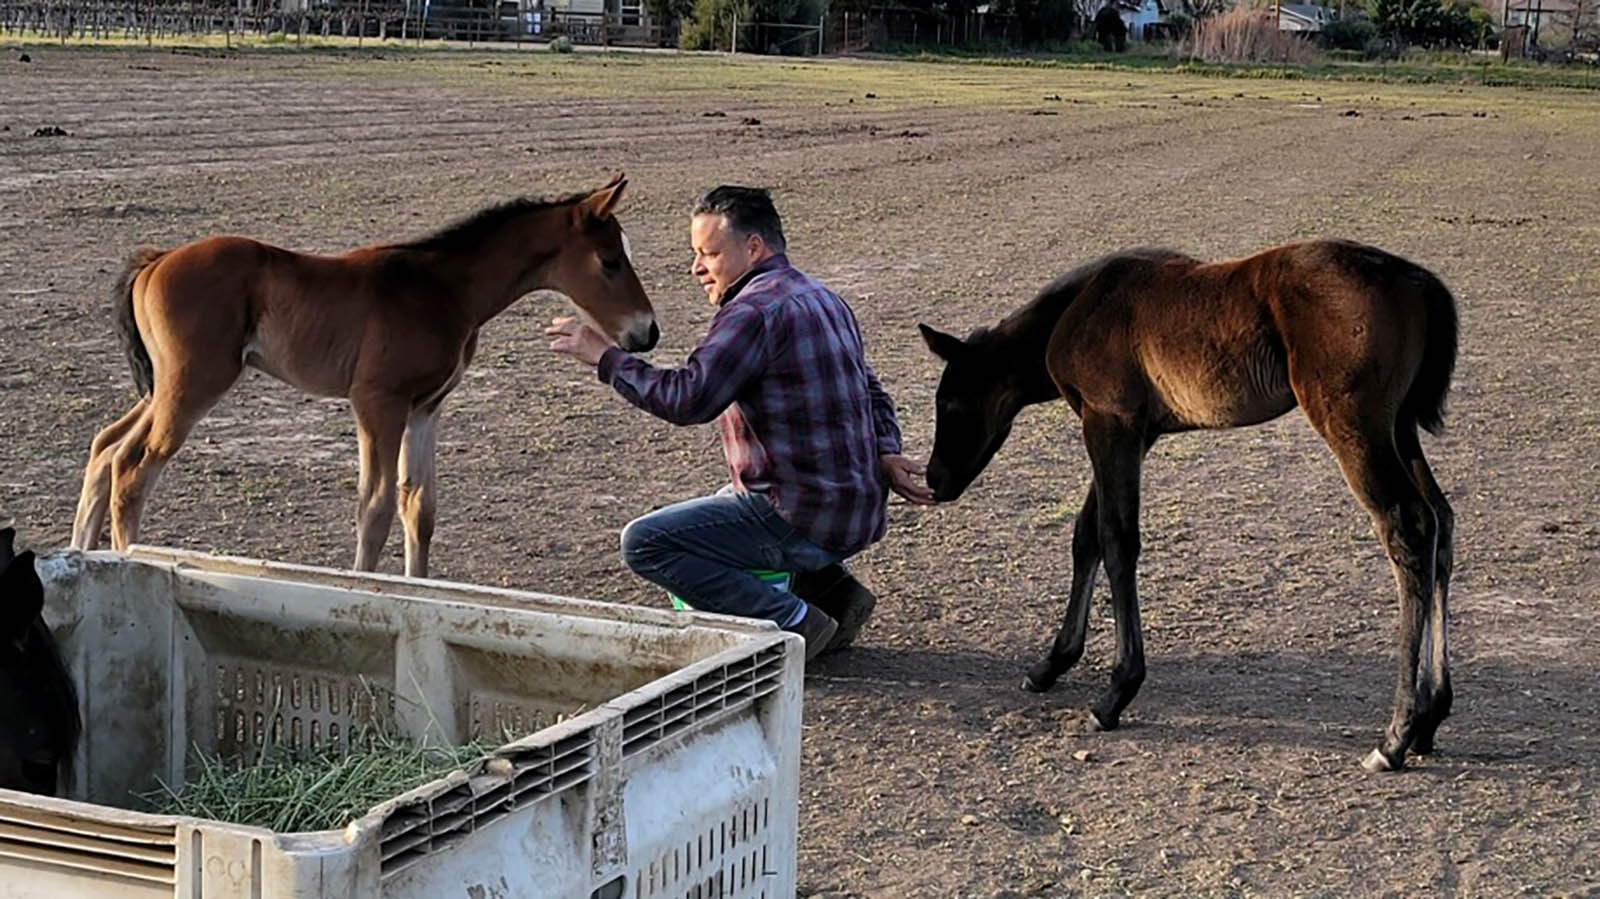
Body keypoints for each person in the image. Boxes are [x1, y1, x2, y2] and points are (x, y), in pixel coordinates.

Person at [547, 184, 934, 662]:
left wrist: (605, 358)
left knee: (647, 543)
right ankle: (835, 593)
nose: (696, 267)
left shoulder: (752, 311)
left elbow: (689, 399)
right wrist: (885, 450)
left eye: (709, 253)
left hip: (804, 521)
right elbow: (872, 389)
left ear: (753, 248)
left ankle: (795, 622)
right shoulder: (823, 297)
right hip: (857, 513)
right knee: (723, 502)